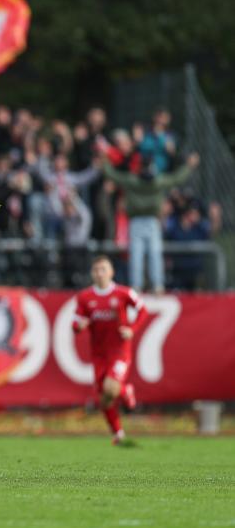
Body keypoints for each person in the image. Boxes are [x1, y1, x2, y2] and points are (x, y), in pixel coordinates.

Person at [72, 255, 148, 446]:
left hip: (120, 351)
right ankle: (118, 434)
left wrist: (132, 329)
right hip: (99, 354)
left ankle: (126, 391)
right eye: (96, 270)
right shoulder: (84, 297)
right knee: (104, 399)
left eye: (103, 269)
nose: (100, 273)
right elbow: (75, 322)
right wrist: (79, 326)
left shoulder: (124, 293)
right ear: (92, 273)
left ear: (111, 272)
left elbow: (143, 310)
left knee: (110, 387)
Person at [103, 152, 200, 293]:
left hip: (137, 221)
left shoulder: (131, 180)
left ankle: (137, 286)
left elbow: (112, 174)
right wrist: (189, 166)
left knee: (137, 255)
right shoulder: (158, 180)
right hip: (151, 221)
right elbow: (177, 179)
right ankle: (157, 285)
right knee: (154, 254)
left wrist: (105, 161)